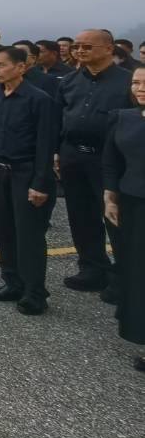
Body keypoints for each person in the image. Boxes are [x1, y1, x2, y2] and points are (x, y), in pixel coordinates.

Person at [0, 45, 59, 315]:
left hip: (27, 172)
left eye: (1, 65)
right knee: (4, 230)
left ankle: (34, 293)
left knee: (29, 234)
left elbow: (46, 145)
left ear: (21, 67)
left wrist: (40, 183)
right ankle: (12, 282)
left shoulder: (39, 100)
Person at [58, 29, 134, 297]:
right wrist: (57, 152)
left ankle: (124, 279)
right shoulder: (69, 80)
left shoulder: (129, 81)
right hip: (74, 157)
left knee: (117, 220)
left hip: (111, 161)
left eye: (87, 47)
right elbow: (59, 116)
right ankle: (92, 268)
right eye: (76, 46)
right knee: (81, 216)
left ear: (109, 49)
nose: (79, 51)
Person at [103, 67, 145, 372]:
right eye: (136, 82)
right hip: (133, 204)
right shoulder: (124, 118)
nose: (140, 88)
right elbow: (111, 161)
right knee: (138, 271)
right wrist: (110, 197)